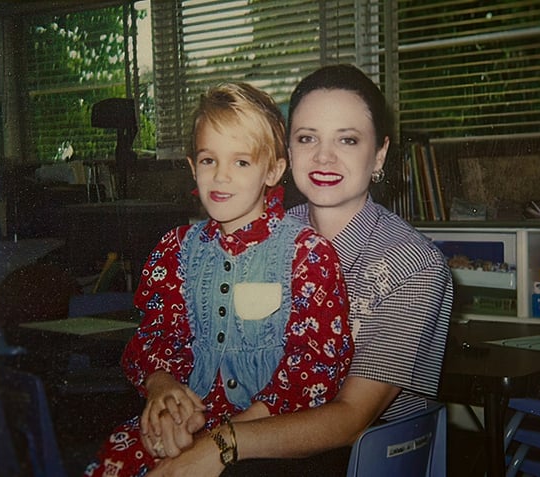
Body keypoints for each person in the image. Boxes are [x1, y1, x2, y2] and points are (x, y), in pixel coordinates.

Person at [146, 64, 454, 477]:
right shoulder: (262, 240)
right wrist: (173, 405)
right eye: (307, 138)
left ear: (379, 154)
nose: (324, 157)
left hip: (361, 456)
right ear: (287, 153)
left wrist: (216, 445)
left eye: (347, 139)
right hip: (254, 431)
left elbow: (351, 419)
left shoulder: (414, 264)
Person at [84, 82, 353, 477]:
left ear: (274, 170)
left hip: (269, 432)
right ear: (194, 166)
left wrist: (220, 437)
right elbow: (156, 337)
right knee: (117, 461)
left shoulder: (307, 255)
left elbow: (314, 369)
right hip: (191, 423)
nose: (221, 177)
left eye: (241, 162)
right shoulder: (176, 249)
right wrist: (163, 392)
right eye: (210, 161)